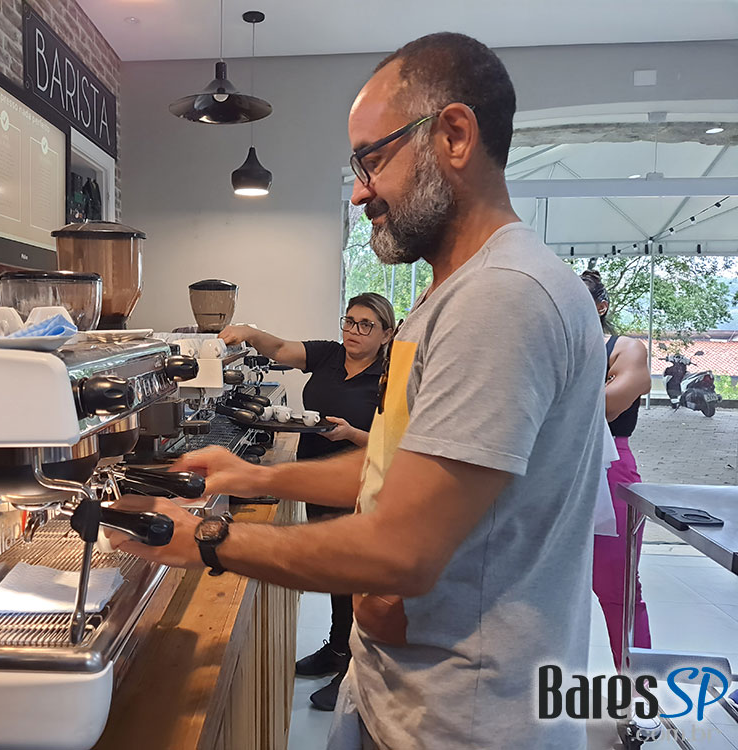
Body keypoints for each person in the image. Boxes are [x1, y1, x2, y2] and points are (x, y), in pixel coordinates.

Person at [111, 32, 607, 749]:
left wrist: (208, 538)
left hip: (462, 723)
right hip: (402, 696)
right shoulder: (453, 295)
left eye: (372, 159)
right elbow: (397, 473)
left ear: (455, 135)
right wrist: (255, 475)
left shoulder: (502, 297)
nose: (359, 191)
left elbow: (402, 549)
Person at [218, 292, 395, 711]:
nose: (353, 331)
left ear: (386, 334)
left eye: (366, 325)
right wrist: (247, 332)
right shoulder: (330, 355)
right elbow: (280, 348)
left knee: (354, 576)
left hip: (358, 484)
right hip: (316, 477)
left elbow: (395, 443)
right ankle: (336, 648)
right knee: (333, 572)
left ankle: (353, 671)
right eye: (349, 321)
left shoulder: (389, 376)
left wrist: (351, 434)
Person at [581, 270, 652, 669]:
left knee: (617, 586)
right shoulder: (549, 349)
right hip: (549, 468)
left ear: (601, 307)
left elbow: (609, 406)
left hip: (610, 471)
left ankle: (638, 687)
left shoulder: (626, 347)